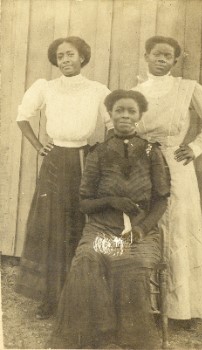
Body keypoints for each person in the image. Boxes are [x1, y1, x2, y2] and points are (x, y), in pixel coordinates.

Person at [48, 89, 171, 349]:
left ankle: (127, 339)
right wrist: (111, 202)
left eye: (131, 111)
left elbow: (161, 199)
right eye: (119, 111)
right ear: (111, 114)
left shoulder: (151, 152)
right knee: (87, 259)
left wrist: (141, 228)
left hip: (140, 232)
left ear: (139, 116)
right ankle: (100, 335)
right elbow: (84, 202)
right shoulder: (99, 153)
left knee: (132, 262)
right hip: (101, 228)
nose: (125, 116)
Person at [15, 36, 113, 319]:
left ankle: (78, 296)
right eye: (60, 56)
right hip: (56, 160)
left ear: (83, 57)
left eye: (71, 54)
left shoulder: (97, 90)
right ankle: (50, 298)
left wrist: (100, 154)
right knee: (52, 226)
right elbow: (23, 117)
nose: (65, 60)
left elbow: (111, 124)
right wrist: (39, 146)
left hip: (83, 160)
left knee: (79, 224)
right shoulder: (45, 88)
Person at [133, 35, 202, 324]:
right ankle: (147, 308)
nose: (161, 59)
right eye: (156, 54)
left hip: (177, 163)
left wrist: (194, 147)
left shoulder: (188, 88)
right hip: (144, 163)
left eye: (167, 56)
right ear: (146, 56)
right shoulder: (135, 91)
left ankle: (182, 309)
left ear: (174, 61)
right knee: (148, 226)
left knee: (180, 230)